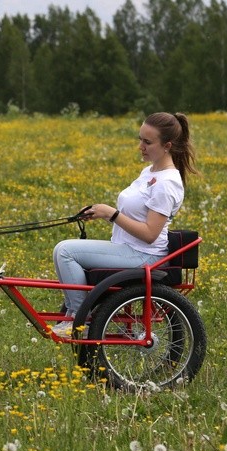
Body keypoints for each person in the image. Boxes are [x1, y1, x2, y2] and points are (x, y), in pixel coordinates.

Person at [52, 112, 198, 335]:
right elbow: (134, 211)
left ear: (167, 145)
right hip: (128, 249)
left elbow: (150, 233)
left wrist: (110, 214)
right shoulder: (149, 172)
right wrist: (99, 212)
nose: (141, 146)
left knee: (65, 251)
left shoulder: (167, 183)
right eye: (140, 139)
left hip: (144, 254)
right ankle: (79, 314)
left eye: (147, 142)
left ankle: (80, 317)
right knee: (63, 251)